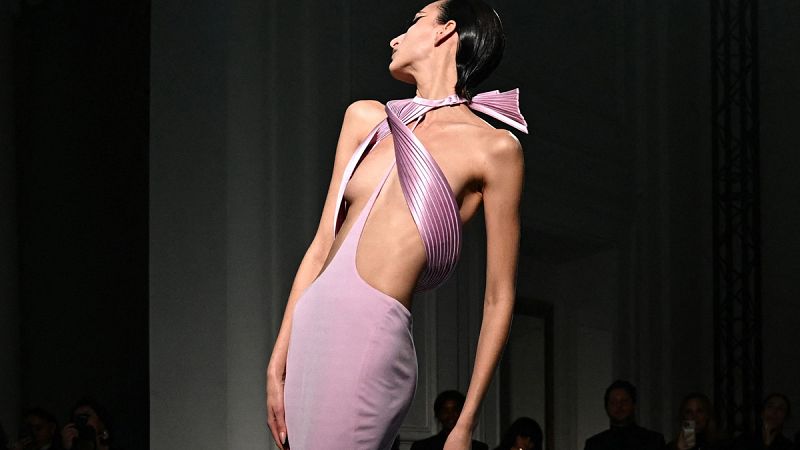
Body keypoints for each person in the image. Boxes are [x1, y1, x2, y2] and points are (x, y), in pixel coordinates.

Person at [265, 0, 527, 448]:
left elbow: (499, 295)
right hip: (311, 328)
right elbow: (321, 244)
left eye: (414, 21)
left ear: (446, 31)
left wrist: (465, 424)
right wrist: (277, 362)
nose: (395, 38)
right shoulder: (366, 120)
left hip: (371, 332)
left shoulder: (494, 148)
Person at [583, 380, 665, 450]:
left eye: (624, 401)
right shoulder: (595, 445)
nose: (619, 406)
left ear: (633, 405)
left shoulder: (653, 441)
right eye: (614, 402)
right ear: (607, 407)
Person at [411, 391, 489, 450]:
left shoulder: (479, 448)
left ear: (462, 413)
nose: (451, 415)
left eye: (455, 410)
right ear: (438, 415)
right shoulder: (422, 447)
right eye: (445, 411)